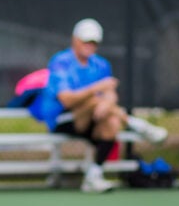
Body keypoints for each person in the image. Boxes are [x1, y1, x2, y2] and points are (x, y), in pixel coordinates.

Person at [30, 18, 167, 193]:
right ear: (75, 40)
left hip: (95, 118)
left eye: (94, 42)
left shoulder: (101, 64)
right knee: (95, 101)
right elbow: (67, 100)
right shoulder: (60, 62)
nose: (90, 46)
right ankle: (135, 124)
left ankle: (93, 177)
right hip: (62, 120)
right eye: (86, 41)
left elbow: (111, 93)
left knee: (113, 123)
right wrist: (97, 92)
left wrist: (106, 103)